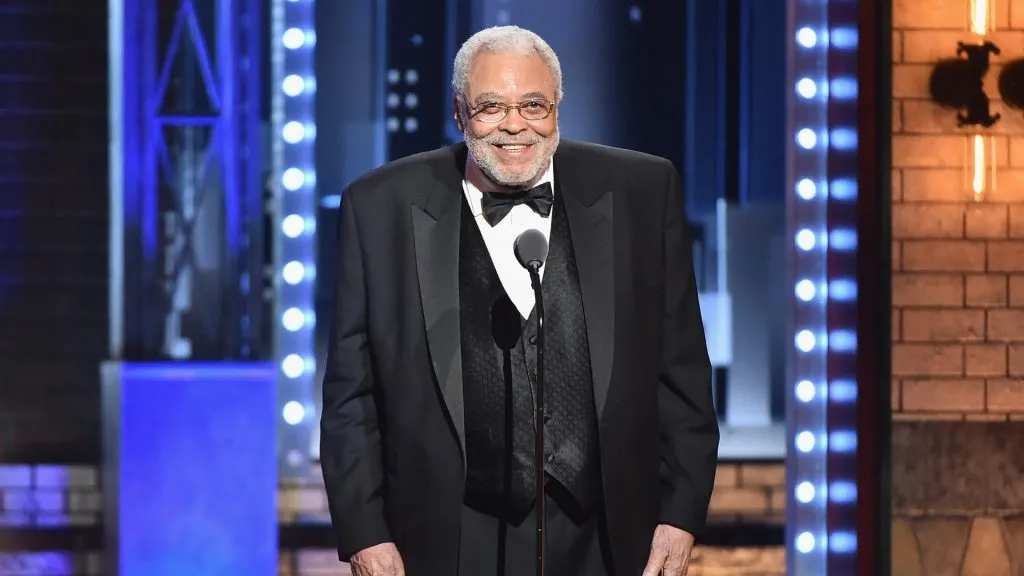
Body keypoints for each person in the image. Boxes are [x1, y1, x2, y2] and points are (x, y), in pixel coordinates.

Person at [320, 25, 719, 576]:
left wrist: (680, 516)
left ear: (558, 107)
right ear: (460, 114)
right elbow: (350, 397)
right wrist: (366, 534)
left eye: (534, 105)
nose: (515, 125)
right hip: (447, 537)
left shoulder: (643, 192)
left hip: (605, 535)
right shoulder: (379, 207)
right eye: (491, 107)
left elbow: (684, 376)